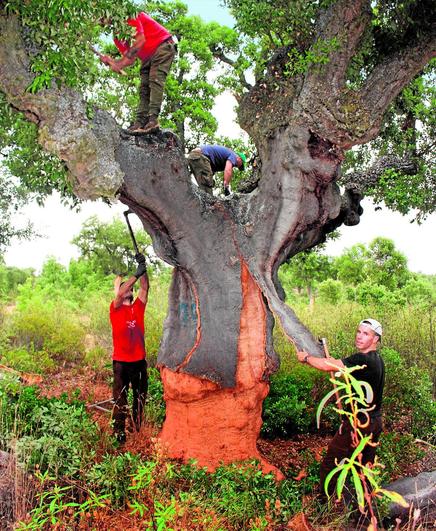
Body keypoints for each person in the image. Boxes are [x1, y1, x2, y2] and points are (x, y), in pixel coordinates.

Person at [296, 318, 385, 498]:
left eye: (366, 334)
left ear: (375, 339)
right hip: (374, 421)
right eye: (359, 332)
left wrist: (306, 358)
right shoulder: (377, 360)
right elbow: (339, 364)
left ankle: (326, 502)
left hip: (358, 422)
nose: (359, 336)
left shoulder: (363, 359)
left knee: (332, 462)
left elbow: (328, 365)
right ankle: (366, 505)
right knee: (365, 465)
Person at [101, 12, 176, 134]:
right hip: (147, 56)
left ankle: (153, 120)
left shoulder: (129, 15)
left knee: (155, 79)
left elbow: (140, 40)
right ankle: (140, 122)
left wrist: (119, 63)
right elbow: (129, 59)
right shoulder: (117, 36)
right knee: (144, 88)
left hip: (162, 46)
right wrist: (113, 61)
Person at [110, 254, 149, 444]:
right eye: (127, 287)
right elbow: (119, 293)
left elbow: (144, 287)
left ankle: (138, 428)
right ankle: (119, 432)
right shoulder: (115, 308)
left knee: (139, 398)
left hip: (139, 362)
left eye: (130, 288)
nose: (129, 290)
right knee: (120, 399)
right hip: (121, 364)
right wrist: (136, 272)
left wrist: (143, 269)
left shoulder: (138, 308)